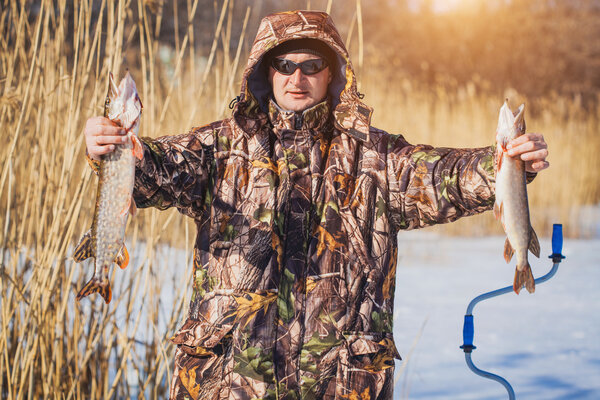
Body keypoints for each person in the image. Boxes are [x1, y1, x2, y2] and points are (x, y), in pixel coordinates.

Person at [84, 10, 549, 400]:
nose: (297, 77)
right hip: (225, 384)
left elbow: (444, 177)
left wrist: (506, 165)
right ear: (267, 71)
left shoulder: (376, 158)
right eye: (284, 64)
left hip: (342, 385)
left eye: (311, 65)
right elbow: (152, 171)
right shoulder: (219, 149)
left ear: (333, 74)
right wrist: (109, 147)